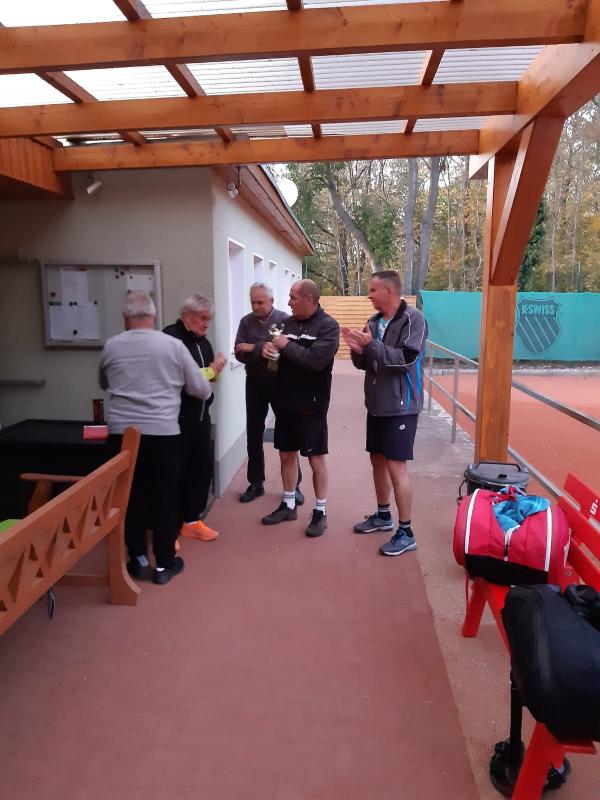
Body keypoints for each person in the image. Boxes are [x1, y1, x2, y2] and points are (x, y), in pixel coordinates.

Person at [99, 290, 212, 585]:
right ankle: (164, 564)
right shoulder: (172, 346)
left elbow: (104, 382)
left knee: (129, 496)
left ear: (125, 319)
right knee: (165, 497)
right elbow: (201, 389)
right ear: (153, 316)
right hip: (163, 434)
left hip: (121, 435)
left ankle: (137, 558)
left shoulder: (112, 346)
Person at [342, 270, 428, 556]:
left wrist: (372, 345)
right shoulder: (373, 322)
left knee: (395, 466)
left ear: (389, 291)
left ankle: (406, 532)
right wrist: (357, 350)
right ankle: (383, 516)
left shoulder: (413, 319)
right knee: (377, 460)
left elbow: (406, 360)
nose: (369, 295)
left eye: (373, 290)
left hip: (401, 407)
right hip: (376, 405)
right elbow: (365, 363)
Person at [261, 279, 339, 537]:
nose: (289, 302)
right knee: (286, 455)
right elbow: (276, 362)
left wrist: (286, 345)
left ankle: (320, 511)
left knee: (315, 459)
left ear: (309, 299)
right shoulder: (286, 324)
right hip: (285, 403)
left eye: (293, 298)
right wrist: (270, 354)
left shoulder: (328, 326)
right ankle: (288, 504)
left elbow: (315, 362)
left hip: (312, 405)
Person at [234, 282, 304, 505]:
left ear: (271, 301)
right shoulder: (246, 322)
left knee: (288, 434)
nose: (255, 306)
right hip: (254, 383)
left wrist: (252, 347)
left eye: (260, 302)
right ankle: (256, 483)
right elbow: (239, 351)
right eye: (252, 302)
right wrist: (259, 348)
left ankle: (295, 486)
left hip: (280, 384)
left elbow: (291, 351)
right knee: (254, 434)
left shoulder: (285, 320)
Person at [164, 295, 226, 543]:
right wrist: (212, 370)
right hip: (176, 420)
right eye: (202, 318)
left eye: (208, 319)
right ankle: (168, 529)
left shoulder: (203, 342)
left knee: (200, 471)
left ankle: (191, 522)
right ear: (186, 316)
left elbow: (209, 378)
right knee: (174, 474)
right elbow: (180, 377)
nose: (206, 324)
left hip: (200, 418)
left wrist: (216, 371)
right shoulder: (171, 338)